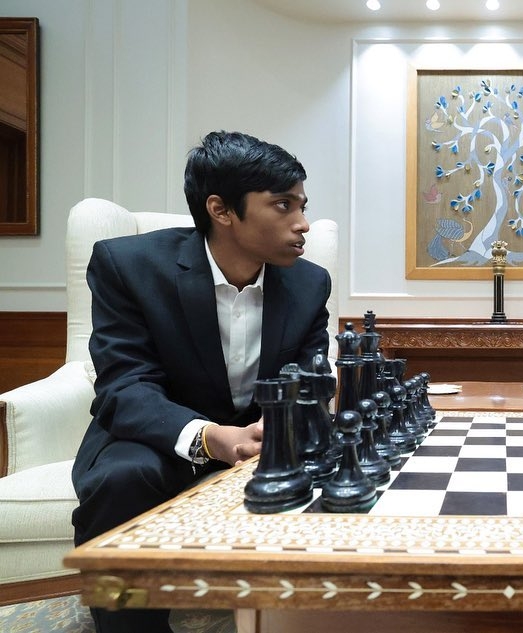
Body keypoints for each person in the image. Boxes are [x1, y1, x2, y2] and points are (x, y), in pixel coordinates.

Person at [71, 130, 331, 633]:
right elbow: (125, 386)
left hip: (262, 438)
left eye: (302, 205)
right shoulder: (127, 265)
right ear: (222, 209)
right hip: (157, 434)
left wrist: (289, 419)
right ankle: (123, 622)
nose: (302, 224)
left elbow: (309, 375)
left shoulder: (308, 281)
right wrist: (211, 437)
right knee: (120, 480)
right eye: (282, 205)